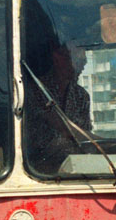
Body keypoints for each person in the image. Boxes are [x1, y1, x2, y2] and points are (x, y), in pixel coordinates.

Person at [25, 39, 92, 171]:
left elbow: (86, 138)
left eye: (84, 62)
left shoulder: (81, 96)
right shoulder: (36, 90)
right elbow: (68, 130)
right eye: (78, 61)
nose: (82, 67)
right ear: (58, 58)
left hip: (74, 169)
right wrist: (111, 144)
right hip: (37, 170)